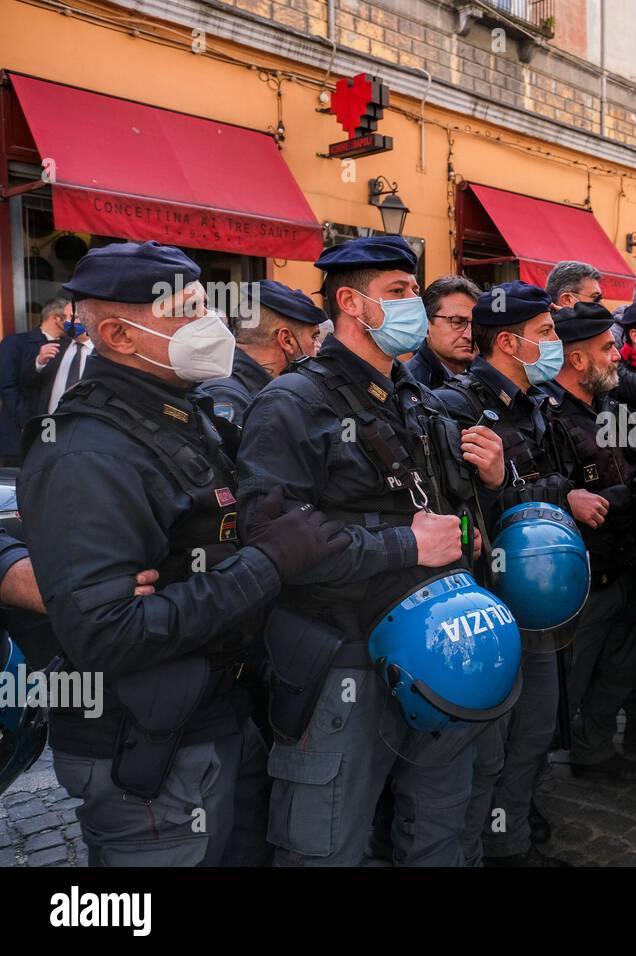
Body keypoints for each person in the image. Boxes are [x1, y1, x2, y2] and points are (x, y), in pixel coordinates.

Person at [18, 240, 346, 866]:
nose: (211, 324)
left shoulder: (179, 413)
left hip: (217, 717)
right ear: (118, 333)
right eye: (188, 310)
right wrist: (268, 562)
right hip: (147, 747)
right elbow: (109, 632)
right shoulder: (92, 453)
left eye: (206, 305)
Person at [236, 235, 506, 867]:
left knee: (440, 824)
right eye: (400, 292)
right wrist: (401, 544)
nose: (415, 302)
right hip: (343, 657)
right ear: (352, 304)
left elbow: (448, 513)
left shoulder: (414, 397)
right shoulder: (293, 402)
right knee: (327, 842)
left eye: (415, 289)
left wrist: (493, 484)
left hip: (439, 648)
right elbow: (272, 536)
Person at [432, 280, 576, 867]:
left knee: (534, 733)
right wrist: (514, 487)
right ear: (511, 343)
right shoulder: (456, 404)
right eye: (546, 333)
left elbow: (555, 481)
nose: (556, 342)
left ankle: (511, 841)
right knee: (489, 745)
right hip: (488, 603)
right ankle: (487, 848)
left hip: (537, 596)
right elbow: (455, 509)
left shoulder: (537, 404)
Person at [542, 302, 636, 784]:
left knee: (619, 669)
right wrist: (622, 493)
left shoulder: (609, 406)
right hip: (581, 582)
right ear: (577, 360)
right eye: (607, 347)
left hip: (624, 566)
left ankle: (593, 752)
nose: (616, 356)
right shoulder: (547, 417)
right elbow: (548, 489)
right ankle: (523, 798)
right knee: (565, 683)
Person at [194, 281, 326, 426]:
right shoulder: (228, 396)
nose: (318, 348)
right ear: (286, 340)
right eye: (313, 337)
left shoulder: (264, 390)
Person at [0, 298, 63, 464]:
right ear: (57, 318)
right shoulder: (15, 343)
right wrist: (32, 424)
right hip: (20, 432)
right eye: (72, 318)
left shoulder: (72, 347)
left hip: (59, 433)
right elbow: (7, 387)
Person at [23, 300, 92, 417]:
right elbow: (28, 383)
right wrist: (39, 363)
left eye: (74, 317)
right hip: (50, 423)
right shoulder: (55, 347)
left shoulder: (104, 352)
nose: (67, 322)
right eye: (65, 317)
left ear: (90, 319)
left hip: (86, 425)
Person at [410, 275, 481, 389]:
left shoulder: (489, 380)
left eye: (477, 325)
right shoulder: (408, 385)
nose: (470, 335)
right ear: (426, 324)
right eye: (457, 322)